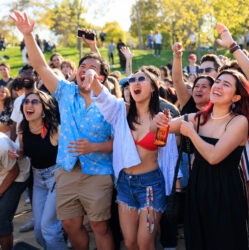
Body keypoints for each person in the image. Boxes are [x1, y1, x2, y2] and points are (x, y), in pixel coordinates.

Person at [11, 11, 115, 250]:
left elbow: (117, 142)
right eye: (82, 65)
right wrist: (28, 36)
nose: (84, 69)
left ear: (100, 77)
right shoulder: (66, 91)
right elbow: (41, 65)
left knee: (100, 227)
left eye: (91, 67)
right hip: (66, 170)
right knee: (69, 224)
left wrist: (93, 147)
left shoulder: (109, 104)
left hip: (98, 171)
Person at [152, 68, 249, 250]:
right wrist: (157, 122)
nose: (218, 86)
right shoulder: (197, 118)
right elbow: (160, 131)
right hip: (199, 187)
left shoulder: (239, 121)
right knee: (199, 239)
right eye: (218, 82)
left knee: (225, 241)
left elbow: (214, 156)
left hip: (226, 191)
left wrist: (192, 134)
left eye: (226, 85)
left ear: (236, 97)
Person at [87, 69, 166, 250]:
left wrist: (159, 128)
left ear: (153, 87)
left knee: (144, 243)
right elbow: (104, 98)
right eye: (132, 80)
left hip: (150, 189)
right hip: (125, 186)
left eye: (141, 79)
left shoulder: (161, 118)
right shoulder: (121, 112)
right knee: (130, 243)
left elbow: (172, 147)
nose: (135, 83)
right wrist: (92, 78)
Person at [11, 90, 65, 249]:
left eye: (35, 102)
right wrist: (18, 154)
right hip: (38, 179)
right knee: (39, 232)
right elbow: (25, 151)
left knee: (49, 228)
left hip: (56, 177)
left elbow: (68, 156)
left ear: (44, 108)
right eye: (26, 102)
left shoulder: (55, 129)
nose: (29, 104)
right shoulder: (23, 127)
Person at [0, 133, 29, 250]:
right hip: (3, 171)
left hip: (18, 175)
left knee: (2, 220)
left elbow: (14, 172)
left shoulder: (2, 146)